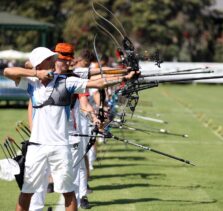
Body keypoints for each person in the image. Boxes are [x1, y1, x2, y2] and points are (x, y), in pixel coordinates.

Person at [4, 45, 135, 211]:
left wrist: (125, 78)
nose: (54, 61)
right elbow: (8, 72)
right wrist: (37, 74)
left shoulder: (67, 81)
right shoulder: (32, 83)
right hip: (37, 146)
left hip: (60, 146)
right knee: (27, 191)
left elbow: (98, 82)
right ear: (40, 63)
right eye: (49, 59)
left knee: (68, 191)